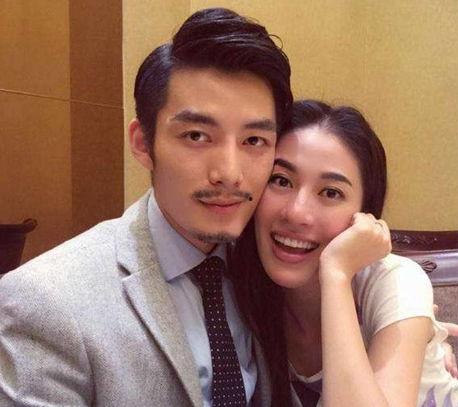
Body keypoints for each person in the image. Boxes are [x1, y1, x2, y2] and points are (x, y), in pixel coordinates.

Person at [0, 8, 292, 406]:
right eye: (196, 135)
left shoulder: (269, 269)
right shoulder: (47, 301)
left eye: (254, 141)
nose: (229, 173)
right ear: (142, 143)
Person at [230, 100, 458, 406]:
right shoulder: (237, 288)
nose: (296, 212)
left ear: (364, 215)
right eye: (281, 181)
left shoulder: (396, 281)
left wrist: (336, 274)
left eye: (331, 192)